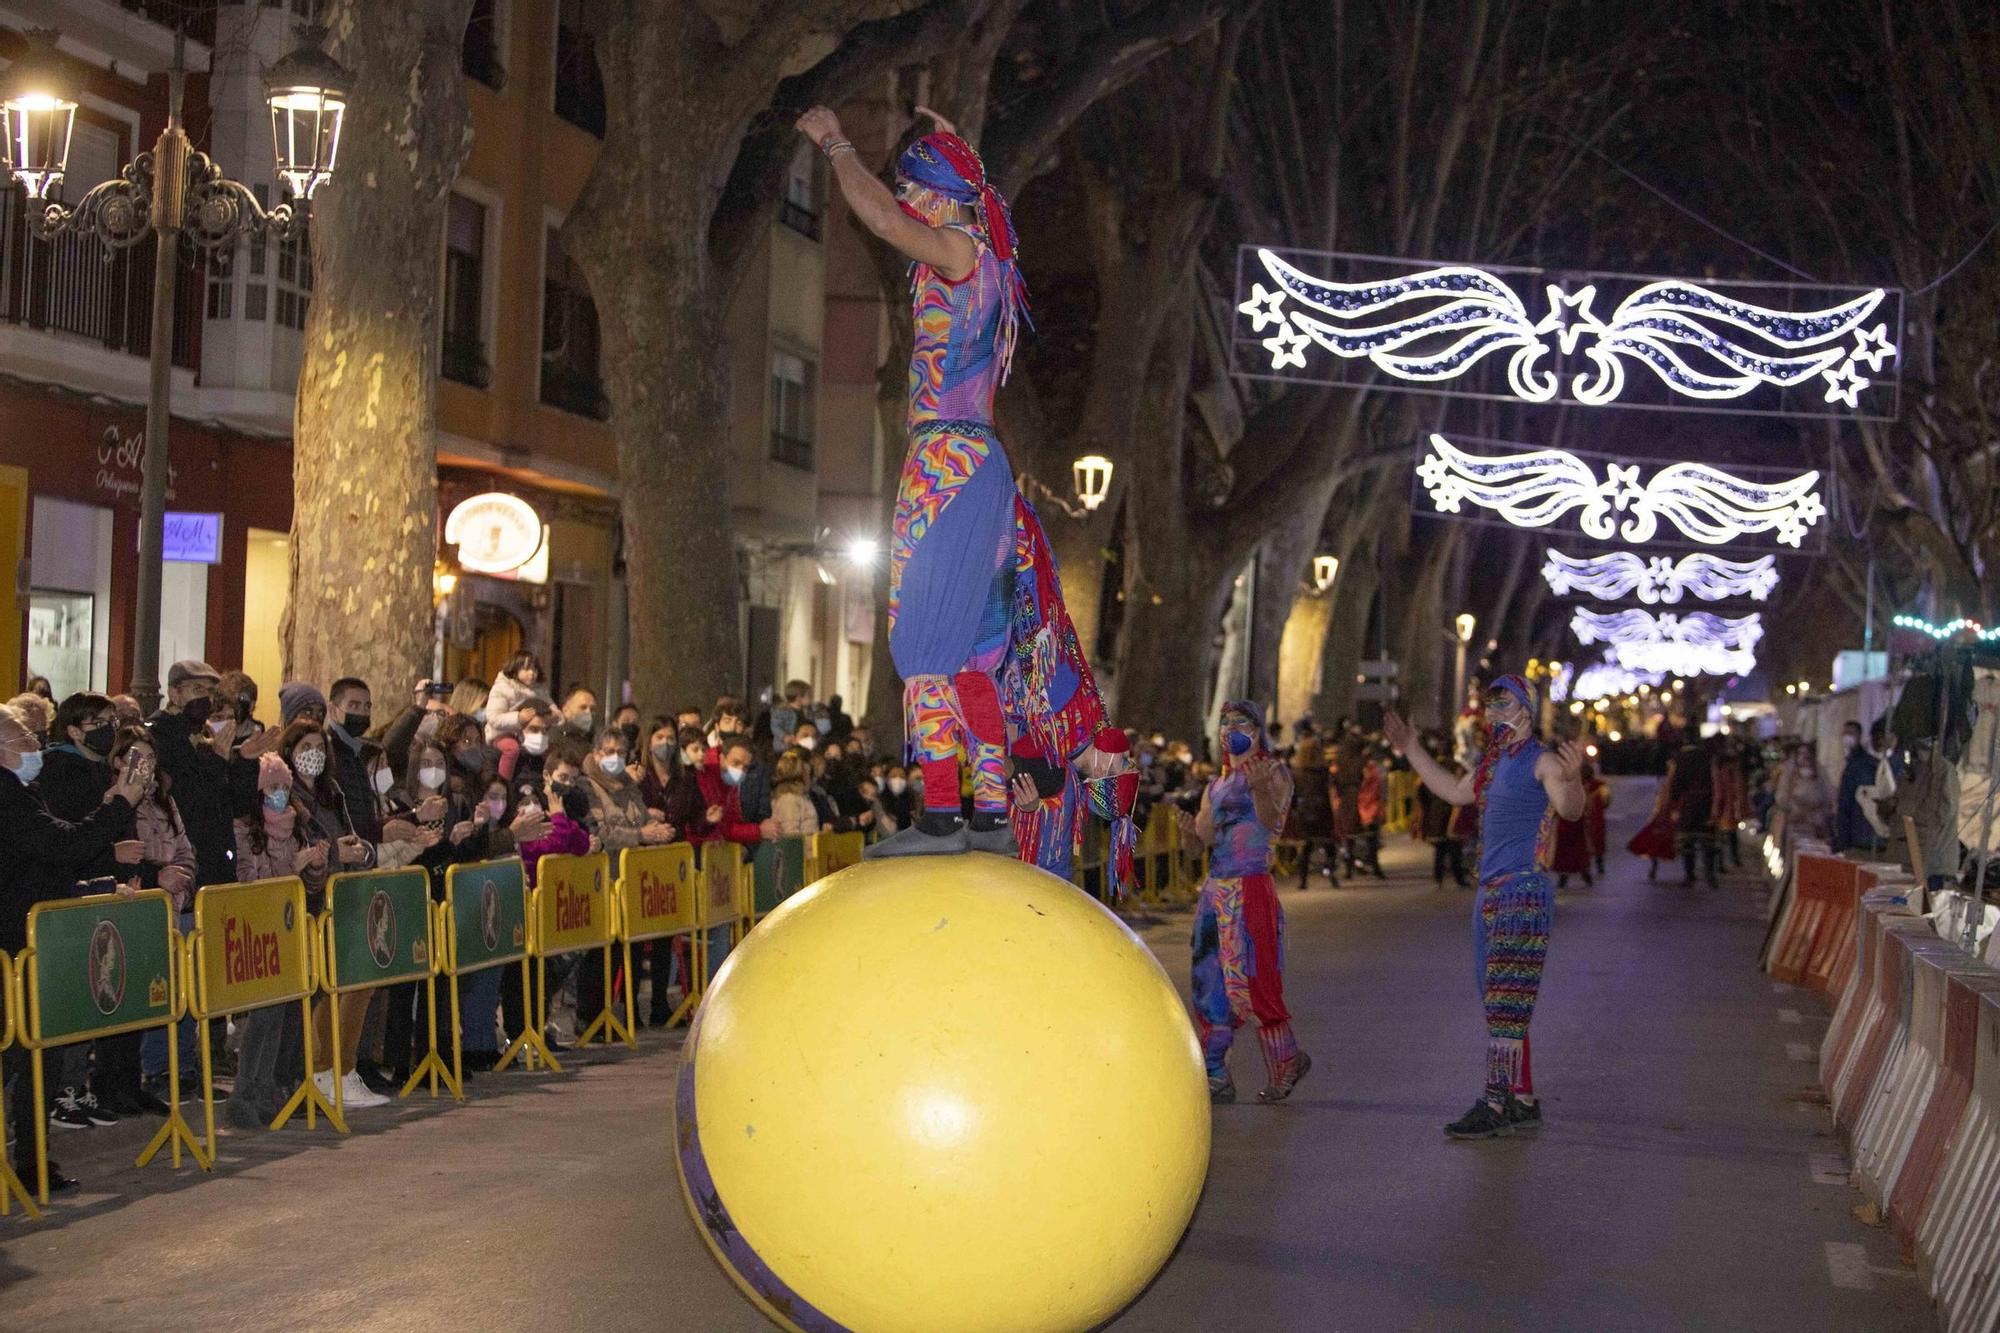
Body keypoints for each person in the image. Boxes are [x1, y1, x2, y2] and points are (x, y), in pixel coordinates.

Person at [802, 103, 1095, 859]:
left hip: (947, 468)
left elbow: (882, 222)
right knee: (974, 655)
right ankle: (991, 814)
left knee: (926, 645)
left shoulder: (958, 250)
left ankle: (939, 814)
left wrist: (837, 144)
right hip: (981, 468)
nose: (903, 203)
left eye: (910, 189)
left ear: (934, 194)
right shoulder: (982, 258)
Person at [1385, 673, 1585, 1140]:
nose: (1496, 715)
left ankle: (1495, 1102)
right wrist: (1412, 749)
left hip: (1522, 891)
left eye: (1506, 705)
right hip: (1490, 892)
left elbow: (1570, 809)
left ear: (1528, 711)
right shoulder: (1491, 765)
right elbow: (1455, 792)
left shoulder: (1543, 762)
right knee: (1499, 1001)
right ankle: (1522, 1098)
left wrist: (1573, 783)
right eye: (1491, 706)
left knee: (1505, 1002)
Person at [0, 705, 147, 1193]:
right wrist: (119, 805)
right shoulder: (6, 797)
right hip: (11, 946)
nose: (35, 751)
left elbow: (55, 859)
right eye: (25, 743)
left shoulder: (24, 790)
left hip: (31, 941)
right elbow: (56, 847)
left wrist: (99, 883)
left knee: (34, 1055)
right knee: (17, 1056)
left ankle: (33, 1160)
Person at [39, 692, 169, 1120]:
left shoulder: (98, 770)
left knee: (113, 994)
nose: (109, 728)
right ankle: (64, 1092)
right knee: (75, 1000)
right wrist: (114, 852)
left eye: (113, 719)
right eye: (100, 721)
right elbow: (73, 839)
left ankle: (111, 1086)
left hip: (112, 890)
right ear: (74, 730)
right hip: (76, 897)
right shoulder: (59, 772)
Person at [1175, 702, 1310, 1105]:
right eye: (1226, 722)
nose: (1231, 729)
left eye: (1241, 722)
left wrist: (1259, 789)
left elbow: (1272, 823)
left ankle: (1286, 1058)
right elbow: (1203, 841)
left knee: (1254, 982)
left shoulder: (1272, 771)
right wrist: (1188, 836)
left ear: (1258, 731)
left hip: (1250, 888)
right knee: (1208, 982)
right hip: (1215, 892)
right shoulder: (1215, 786)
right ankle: (1215, 1072)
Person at [227, 753, 331, 1130]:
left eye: (285, 788)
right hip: (258, 931)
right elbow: (249, 879)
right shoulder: (243, 829)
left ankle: (269, 1087)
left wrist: (316, 867)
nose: (280, 795)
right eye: (272, 787)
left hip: (288, 929)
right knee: (263, 1017)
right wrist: (293, 868)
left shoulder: (295, 826)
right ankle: (245, 1093)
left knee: (285, 1014)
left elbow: (307, 886)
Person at [112, 729, 201, 1101]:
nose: (145, 767)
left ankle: (183, 1065)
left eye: (150, 759)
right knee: (150, 992)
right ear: (119, 761)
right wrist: (156, 876)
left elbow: (184, 846)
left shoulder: (165, 802)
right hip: (139, 908)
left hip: (175, 904)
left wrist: (183, 876)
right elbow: (117, 856)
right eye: (137, 757)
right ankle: (153, 1068)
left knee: (184, 990)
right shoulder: (114, 802)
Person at [485, 652, 550, 782]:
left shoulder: (537, 690)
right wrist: (518, 718)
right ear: (515, 669)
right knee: (511, 748)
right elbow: (493, 718)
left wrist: (555, 715)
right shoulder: (502, 688)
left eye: (535, 669)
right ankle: (504, 781)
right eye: (526, 669)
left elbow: (549, 703)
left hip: (521, 735)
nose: (532, 673)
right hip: (500, 733)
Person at [1666, 734, 1718, 888]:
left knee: (1687, 841)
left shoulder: (1681, 758)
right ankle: (1709, 873)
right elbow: (1715, 780)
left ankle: (1689, 875)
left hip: (1688, 803)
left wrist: (1674, 801)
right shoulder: (1708, 757)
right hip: (1706, 802)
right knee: (1708, 841)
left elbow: (1676, 783)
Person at [1288, 735, 1338, 889]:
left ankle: (1303, 881)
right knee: (1328, 844)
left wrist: (1294, 809)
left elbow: (1293, 795)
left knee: (1306, 846)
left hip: (1305, 811)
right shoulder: (1323, 772)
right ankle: (1330, 871)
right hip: (1323, 809)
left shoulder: (1297, 773)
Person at [1417, 743, 1470, 889]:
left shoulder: (1431, 768)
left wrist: (1428, 807)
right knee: (1455, 849)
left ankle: (1438, 878)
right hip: (1453, 811)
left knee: (1440, 848)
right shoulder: (1457, 767)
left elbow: (1421, 791)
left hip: (1437, 811)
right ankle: (1459, 878)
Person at [1834, 719, 1881, 854]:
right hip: (1855, 832)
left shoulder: (1860, 764)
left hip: (1859, 833)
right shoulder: (1852, 761)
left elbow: (1849, 801)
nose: (1847, 736)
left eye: (1851, 733)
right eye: (1845, 732)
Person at [770, 750, 823, 837]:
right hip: (801, 849)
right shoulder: (789, 800)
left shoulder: (803, 797)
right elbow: (790, 834)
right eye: (806, 773)